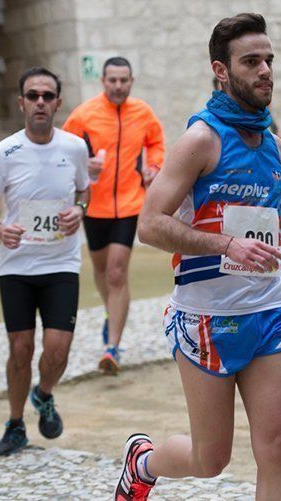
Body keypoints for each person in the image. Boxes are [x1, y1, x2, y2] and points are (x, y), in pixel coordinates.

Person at [113, 14, 281, 501]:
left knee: (275, 449)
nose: (265, 70)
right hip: (206, 318)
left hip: (265, 313)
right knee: (211, 460)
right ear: (221, 71)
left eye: (269, 60)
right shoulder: (201, 140)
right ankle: (143, 462)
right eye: (251, 61)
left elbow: (273, 228)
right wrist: (225, 244)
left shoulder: (275, 148)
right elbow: (150, 224)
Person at [0, 67, 90, 456]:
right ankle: (15, 424)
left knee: (57, 350)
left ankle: (43, 394)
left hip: (61, 264)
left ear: (57, 102)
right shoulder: (4, 152)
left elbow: (83, 193)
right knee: (20, 348)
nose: (40, 102)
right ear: (21, 102)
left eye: (47, 95)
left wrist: (79, 210)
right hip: (17, 267)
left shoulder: (74, 148)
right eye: (32, 95)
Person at [63, 57, 165, 374]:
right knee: (101, 271)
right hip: (94, 205)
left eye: (123, 80)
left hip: (130, 203)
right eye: (112, 80)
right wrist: (85, 165)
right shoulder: (84, 115)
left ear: (131, 81)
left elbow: (157, 143)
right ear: (103, 81)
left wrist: (154, 167)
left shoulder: (143, 112)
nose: (118, 86)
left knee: (117, 272)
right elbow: (64, 152)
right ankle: (113, 313)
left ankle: (112, 348)